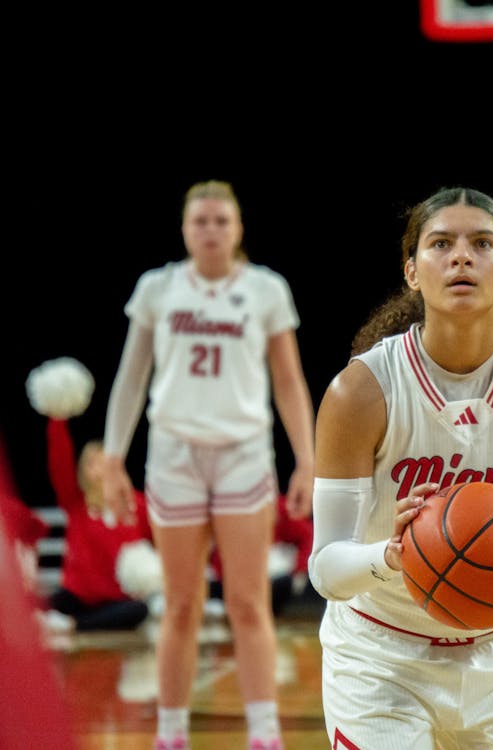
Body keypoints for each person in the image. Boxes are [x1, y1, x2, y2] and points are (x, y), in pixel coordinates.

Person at [307, 186, 493, 749]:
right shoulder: (361, 391)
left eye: (481, 243)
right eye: (440, 244)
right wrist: (391, 557)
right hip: (380, 657)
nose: (461, 256)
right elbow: (325, 567)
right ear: (412, 272)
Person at [101, 180, 315, 750]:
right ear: (185, 229)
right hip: (174, 454)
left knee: (248, 600)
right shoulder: (158, 288)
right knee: (180, 604)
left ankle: (265, 732)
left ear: (239, 228)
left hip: (244, 454)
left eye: (222, 220)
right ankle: (170, 732)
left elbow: (289, 382)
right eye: (201, 221)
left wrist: (308, 461)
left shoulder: (266, 290)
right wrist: (114, 457)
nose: (212, 230)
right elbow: (131, 376)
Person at [43, 415, 155, 632]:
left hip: (118, 600)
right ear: (84, 470)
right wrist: (58, 417)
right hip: (78, 597)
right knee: (39, 604)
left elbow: (159, 543)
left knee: (138, 610)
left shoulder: (137, 504)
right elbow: (59, 459)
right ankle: (75, 621)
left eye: (103, 460)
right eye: (91, 462)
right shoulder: (76, 502)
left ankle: (75, 625)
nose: (98, 467)